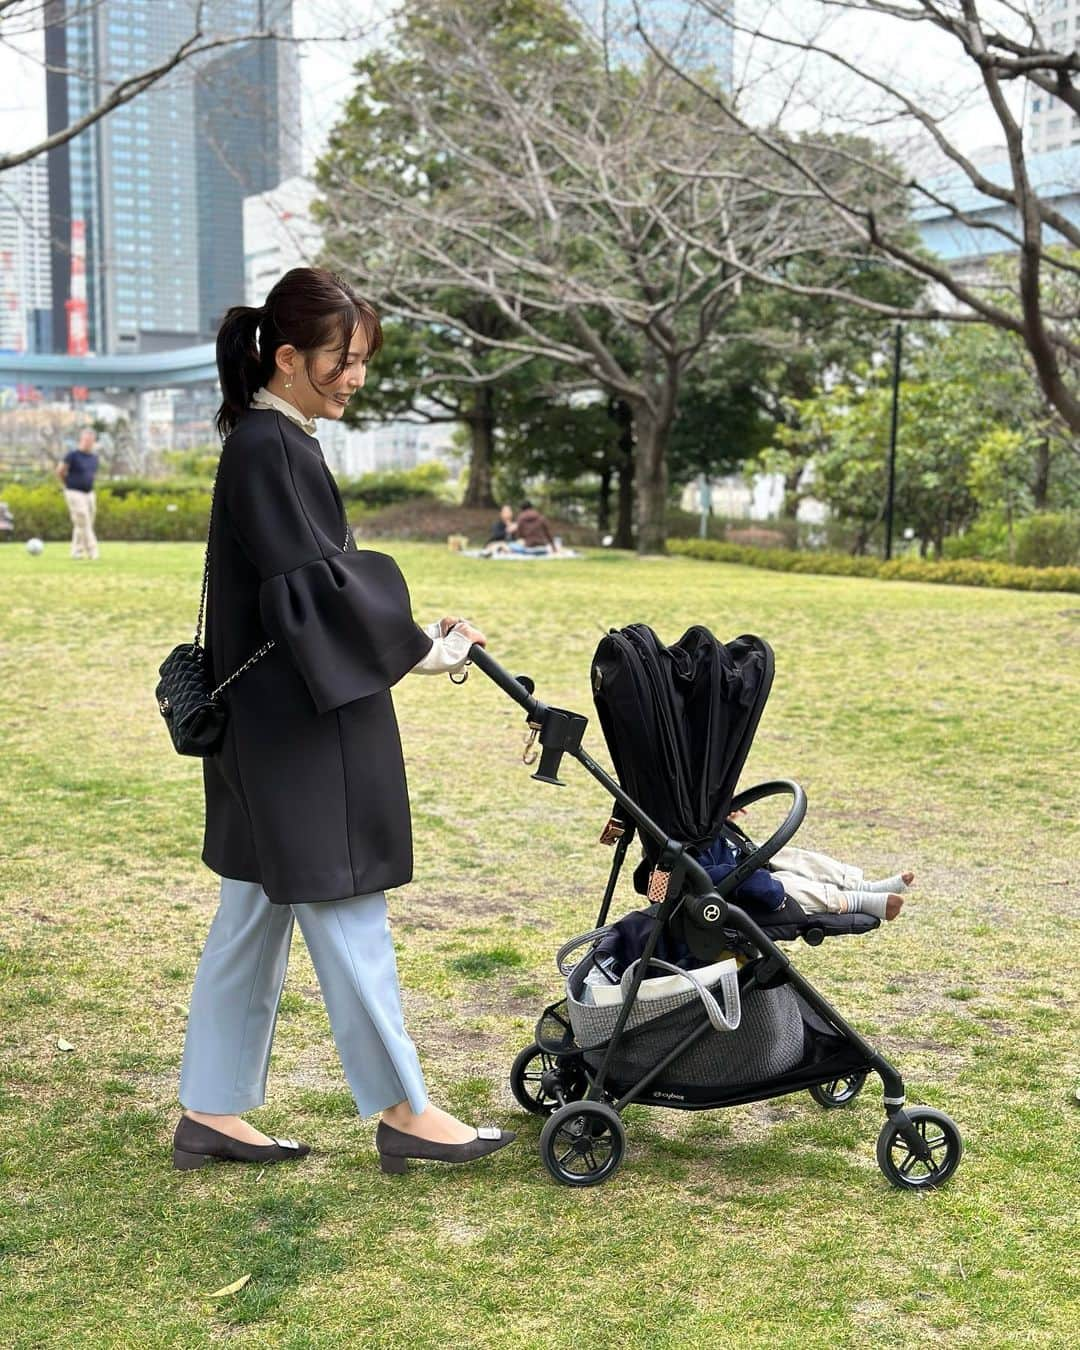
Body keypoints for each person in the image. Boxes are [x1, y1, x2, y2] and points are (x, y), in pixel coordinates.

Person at [172, 266, 515, 1175]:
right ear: (287, 358)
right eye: (341, 359)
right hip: (299, 730)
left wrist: (406, 636)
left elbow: (313, 584)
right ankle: (406, 1111)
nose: (356, 376)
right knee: (345, 908)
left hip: (268, 725)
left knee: (251, 914)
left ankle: (210, 1111)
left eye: (361, 359)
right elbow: (316, 591)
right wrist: (421, 648)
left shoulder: (265, 441)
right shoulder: (273, 449)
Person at [697, 828, 912, 922]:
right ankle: (854, 901)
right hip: (726, 885)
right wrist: (773, 894)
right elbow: (709, 879)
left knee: (795, 857)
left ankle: (862, 886)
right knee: (785, 886)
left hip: (731, 854)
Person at [56, 426, 100, 560]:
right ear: (81, 440)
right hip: (74, 492)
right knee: (83, 520)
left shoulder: (94, 458)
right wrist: (67, 484)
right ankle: (92, 551)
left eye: (91, 440)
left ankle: (76, 551)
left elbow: (92, 474)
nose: (88, 442)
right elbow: (60, 471)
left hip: (89, 493)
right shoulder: (72, 455)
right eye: (86, 439)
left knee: (83, 523)